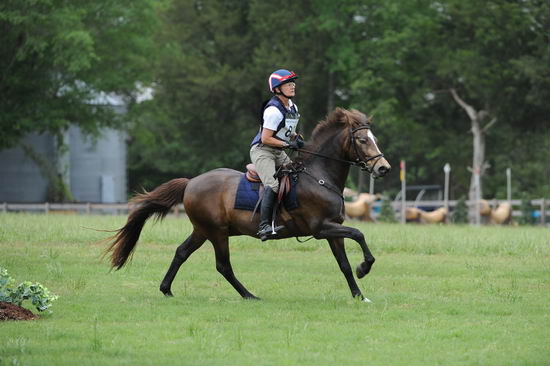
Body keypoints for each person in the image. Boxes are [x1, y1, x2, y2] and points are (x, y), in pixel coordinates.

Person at [250, 69, 304, 241]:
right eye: (288, 84)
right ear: (277, 88)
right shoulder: (273, 110)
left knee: (297, 175)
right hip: (263, 150)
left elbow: (288, 132)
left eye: (293, 83)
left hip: (278, 150)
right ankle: (264, 226)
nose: (293, 86)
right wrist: (288, 144)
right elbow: (266, 138)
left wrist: (298, 139)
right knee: (272, 185)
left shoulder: (293, 107)